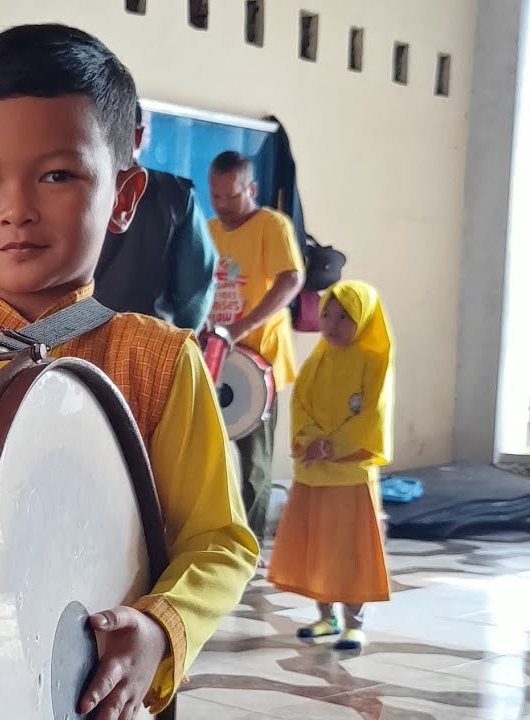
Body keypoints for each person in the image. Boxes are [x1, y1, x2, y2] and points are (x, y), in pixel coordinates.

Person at [0, 24, 257, 718]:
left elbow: (219, 541)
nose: (16, 209)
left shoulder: (157, 362)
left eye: (56, 175)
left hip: (88, 693)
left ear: (124, 196)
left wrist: (159, 628)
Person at [268, 281, 394, 651]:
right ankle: (326, 617)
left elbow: (373, 414)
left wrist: (333, 446)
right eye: (326, 315)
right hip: (314, 474)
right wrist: (310, 441)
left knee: (351, 550)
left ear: (363, 320)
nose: (332, 325)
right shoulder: (316, 361)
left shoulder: (374, 361)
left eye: (344, 317)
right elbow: (300, 407)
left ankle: (355, 623)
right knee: (318, 548)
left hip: (349, 477)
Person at [207, 152, 305, 540]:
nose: (222, 205)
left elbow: (291, 279)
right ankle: (214, 536)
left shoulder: (272, 225)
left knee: (254, 463)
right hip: (217, 357)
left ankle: (250, 544)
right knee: (209, 454)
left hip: (259, 360)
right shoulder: (209, 229)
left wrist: (241, 327)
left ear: (252, 189)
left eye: (231, 196)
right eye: (215, 195)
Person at [94, 104, 218, 330]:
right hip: (147, 339)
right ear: (138, 136)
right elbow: (194, 288)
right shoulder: (175, 195)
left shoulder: (64, 187)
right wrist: (179, 336)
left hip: (69, 341)